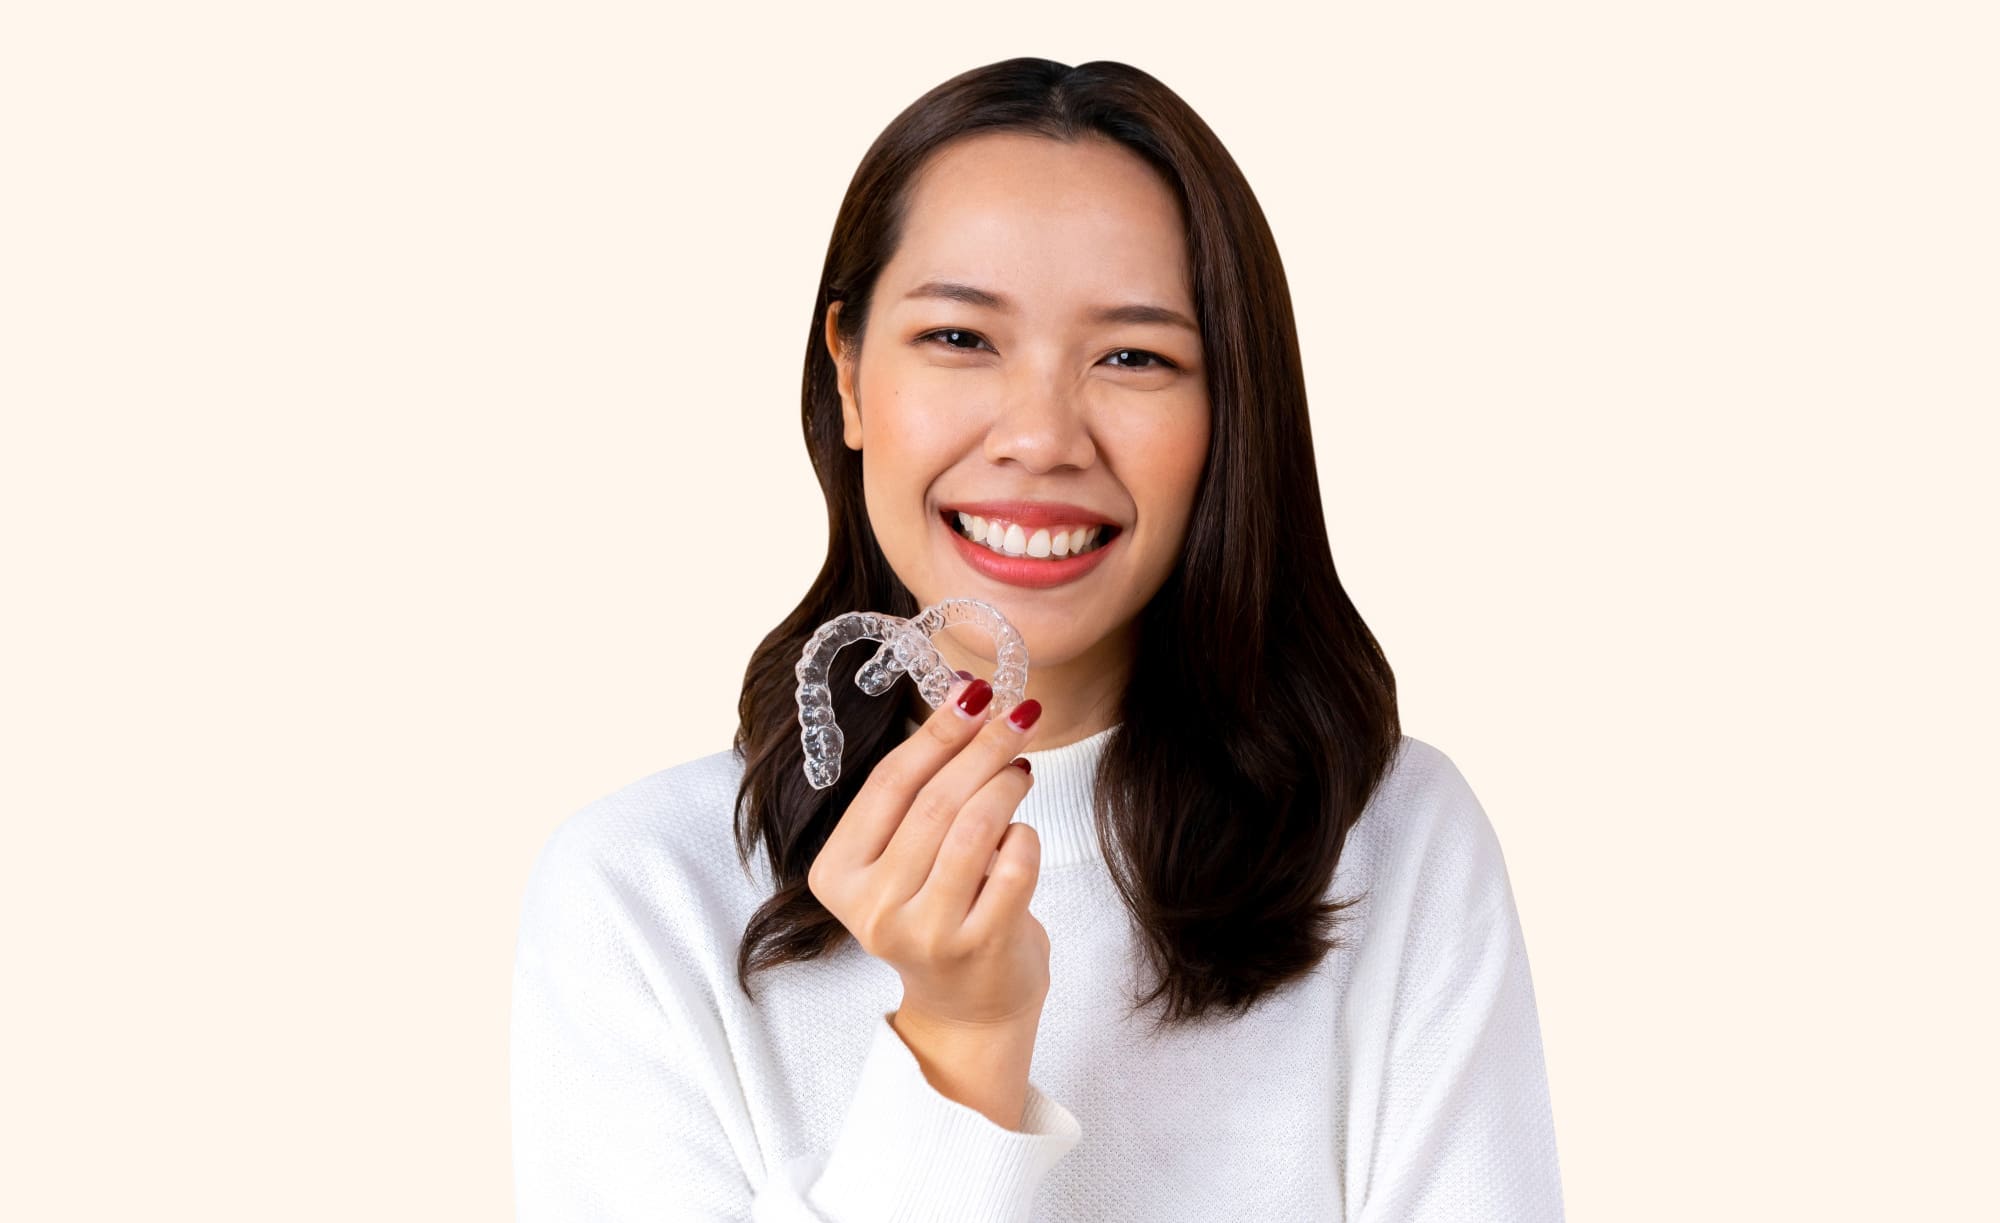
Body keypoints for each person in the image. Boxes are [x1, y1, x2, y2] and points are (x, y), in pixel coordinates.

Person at [510, 57, 1565, 1222]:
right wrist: (958, 1046)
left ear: (1228, 414)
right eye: (960, 337)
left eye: (1133, 357)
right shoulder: (642, 893)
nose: (1040, 435)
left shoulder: (1394, 845)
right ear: (849, 374)